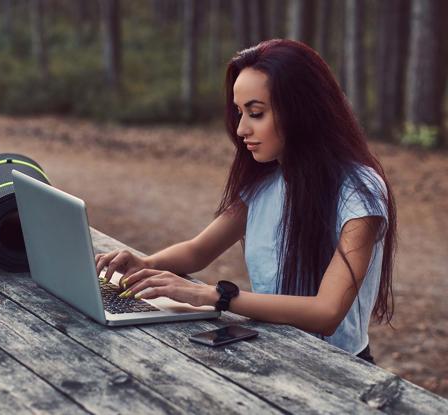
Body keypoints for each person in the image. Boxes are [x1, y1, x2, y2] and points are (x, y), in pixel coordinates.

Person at [95, 39, 396, 363]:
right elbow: (199, 251)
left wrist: (213, 296)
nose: (240, 129)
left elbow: (327, 310)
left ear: (303, 110)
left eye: (256, 113)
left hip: (338, 367)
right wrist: (147, 265)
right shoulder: (264, 182)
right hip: (270, 351)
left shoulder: (359, 190)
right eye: (239, 113)